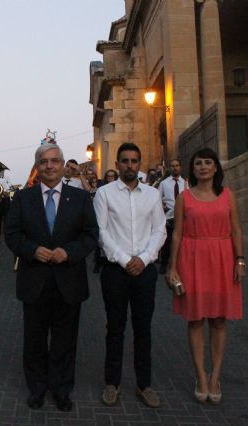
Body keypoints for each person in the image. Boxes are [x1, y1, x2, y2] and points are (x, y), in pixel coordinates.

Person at [5, 144, 98, 412]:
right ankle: (36, 388)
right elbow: (11, 234)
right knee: (34, 340)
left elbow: (90, 235)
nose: (50, 166)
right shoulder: (23, 198)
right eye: (44, 161)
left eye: (55, 161)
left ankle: (61, 389)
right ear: (37, 165)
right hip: (34, 281)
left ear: (62, 165)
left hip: (69, 281)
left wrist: (68, 253)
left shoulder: (79, 198)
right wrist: (32, 250)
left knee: (65, 341)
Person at [166, 148, 244, 405]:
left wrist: (240, 259)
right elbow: (176, 233)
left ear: (216, 167)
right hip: (193, 259)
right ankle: (200, 375)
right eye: (198, 163)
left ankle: (215, 376)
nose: (203, 167)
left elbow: (236, 230)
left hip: (222, 258)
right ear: (193, 169)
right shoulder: (184, 198)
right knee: (196, 320)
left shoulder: (228, 196)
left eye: (208, 162)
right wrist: (172, 267)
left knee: (220, 320)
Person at [93, 142, 166, 408]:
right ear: (117, 163)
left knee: (143, 328)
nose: (130, 165)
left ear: (140, 163)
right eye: (125, 161)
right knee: (115, 327)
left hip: (145, 271)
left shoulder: (152, 195)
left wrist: (144, 259)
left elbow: (160, 230)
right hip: (115, 270)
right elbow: (102, 232)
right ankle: (112, 383)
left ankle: (144, 384)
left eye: (135, 161)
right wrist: (125, 260)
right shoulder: (104, 194)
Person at [158, 159, 186, 274]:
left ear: (180, 167)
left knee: (181, 240)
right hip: (168, 216)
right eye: (173, 166)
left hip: (182, 216)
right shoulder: (164, 183)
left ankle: (180, 264)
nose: (175, 168)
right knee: (167, 241)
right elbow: (158, 199)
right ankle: (164, 264)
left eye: (177, 165)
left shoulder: (185, 183)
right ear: (169, 168)